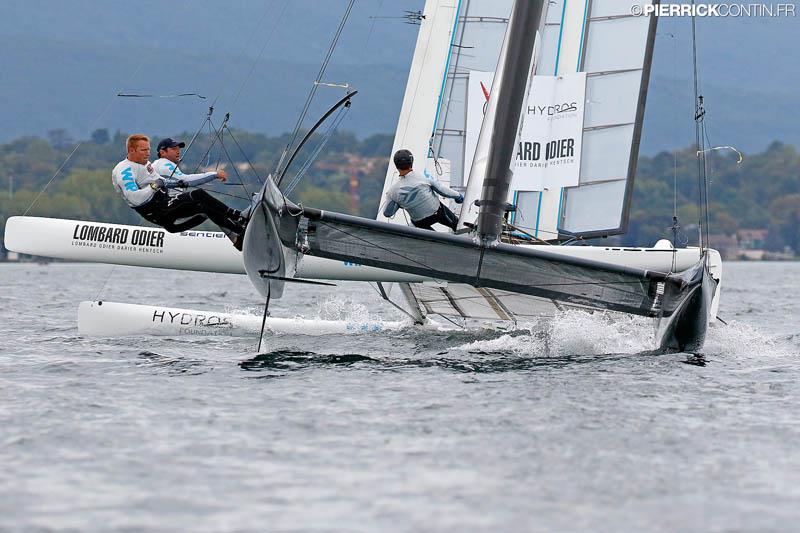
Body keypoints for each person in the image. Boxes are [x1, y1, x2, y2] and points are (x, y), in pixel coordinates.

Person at [112, 134, 246, 249]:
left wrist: (176, 183)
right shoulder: (124, 171)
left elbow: (161, 181)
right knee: (198, 194)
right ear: (131, 150)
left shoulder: (146, 163)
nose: (147, 153)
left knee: (204, 207)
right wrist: (153, 186)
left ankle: (239, 237)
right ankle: (240, 217)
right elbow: (135, 198)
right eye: (143, 150)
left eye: (148, 149)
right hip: (157, 211)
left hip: (164, 204)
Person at [382, 149, 464, 231]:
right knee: (458, 226)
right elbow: (442, 190)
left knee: (434, 241)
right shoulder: (423, 176)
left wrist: (400, 203)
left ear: (396, 166)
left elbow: (387, 213)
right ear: (411, 162)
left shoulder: (392, 191)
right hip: (438, 213)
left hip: (420, 222)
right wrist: (458, 196)